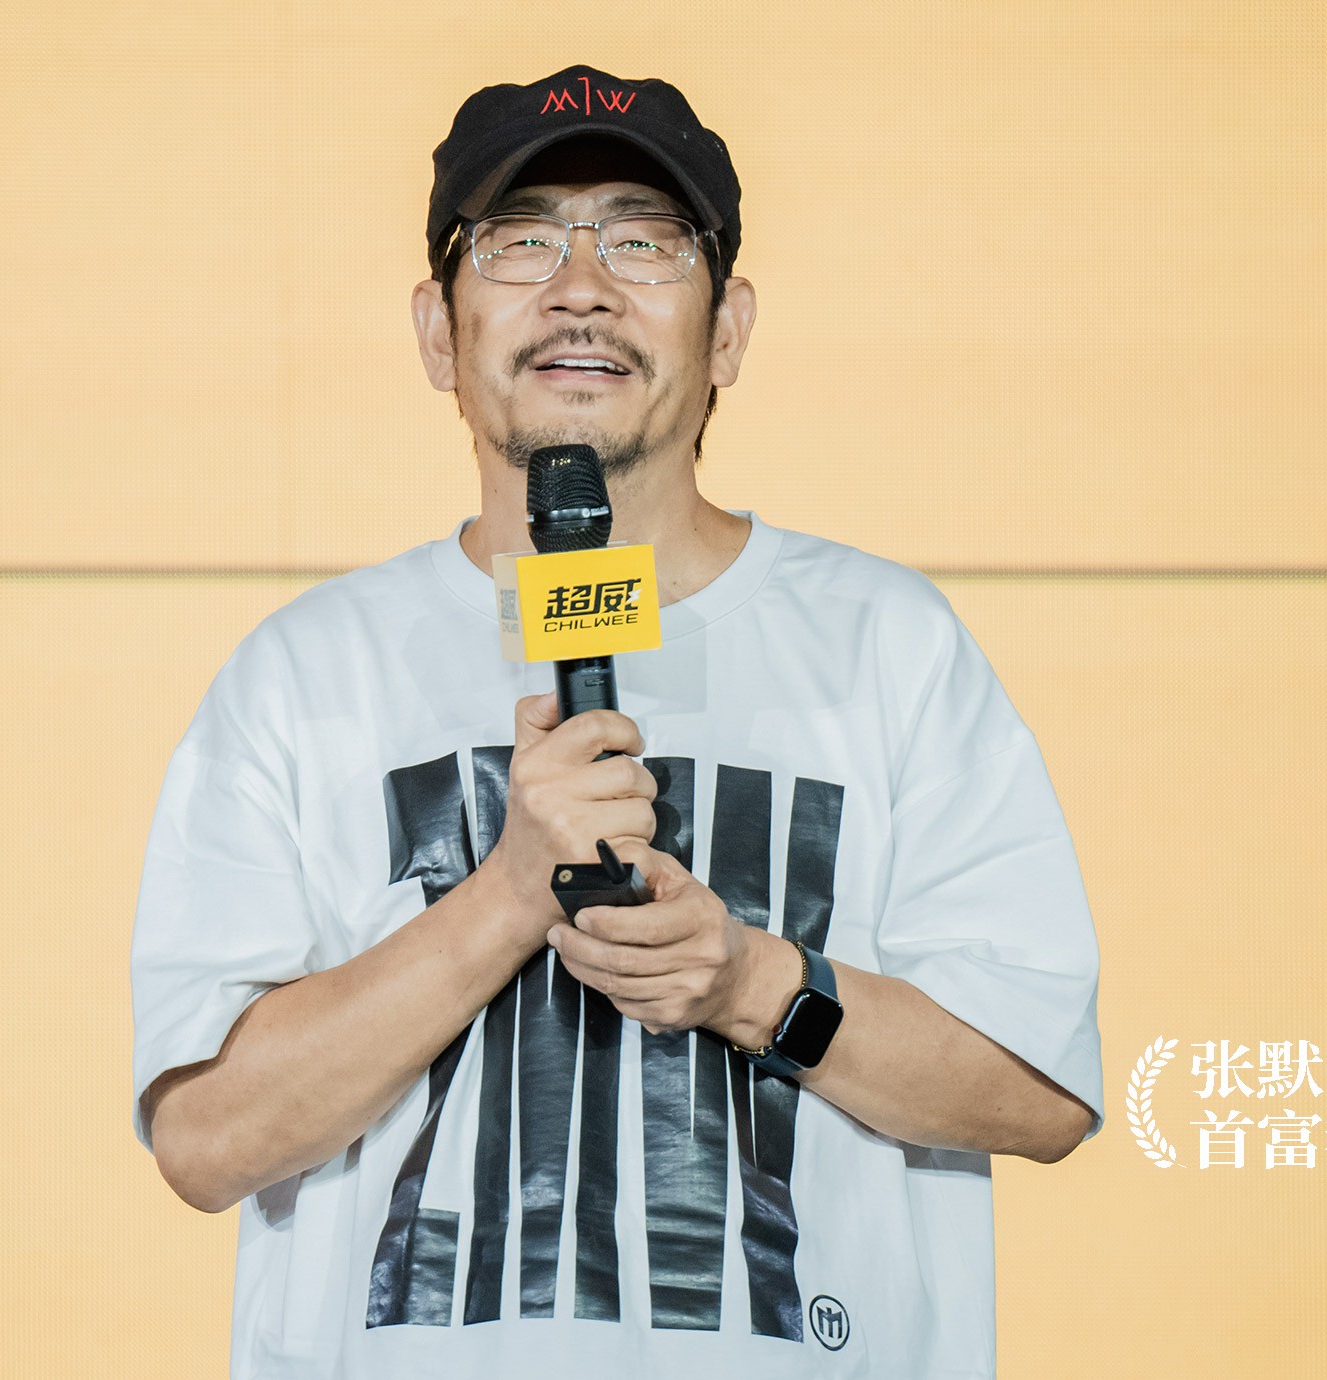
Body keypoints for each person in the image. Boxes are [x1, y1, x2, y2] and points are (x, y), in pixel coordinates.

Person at [129, 63, 1105, 1380]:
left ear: (729, 331)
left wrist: (754, 986)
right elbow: (205, 1140)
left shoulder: (888, 646)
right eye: (522, 241)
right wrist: (506, 896)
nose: (581, 286)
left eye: (643, 242)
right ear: (437, 331)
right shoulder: (306, 675)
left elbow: (1041, 1091)